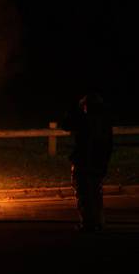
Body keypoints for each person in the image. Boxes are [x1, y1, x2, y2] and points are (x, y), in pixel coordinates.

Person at [61, 93, 113, 232]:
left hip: (84, 161)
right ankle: (99, 222)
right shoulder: (104, 122)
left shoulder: (84, 120)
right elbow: (109, 144)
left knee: (84, 192)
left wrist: (71, 108)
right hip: (99, 161)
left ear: (86, 107)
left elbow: (65, 124)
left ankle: (88, 223)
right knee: (96, 193)